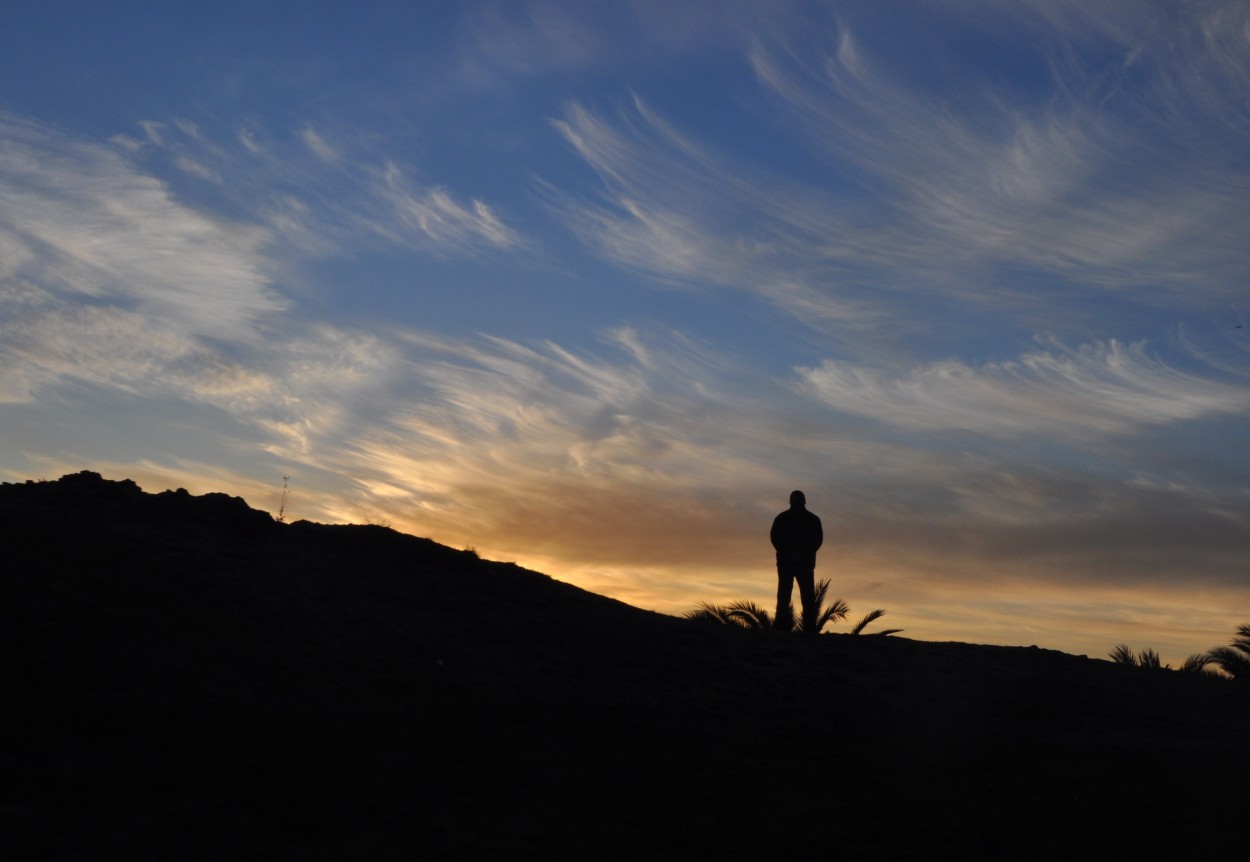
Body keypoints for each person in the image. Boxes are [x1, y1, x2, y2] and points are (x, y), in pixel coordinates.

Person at [770, 490, 823, 633]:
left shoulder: (811, 520)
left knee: (803, 597)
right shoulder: (784, 519)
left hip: (800, 563)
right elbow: (775, 538)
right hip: (791, 563)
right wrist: (792, 555)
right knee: (786, 596)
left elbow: (817, 541)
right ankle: (785, 628)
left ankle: (807, 629)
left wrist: (798, 555)